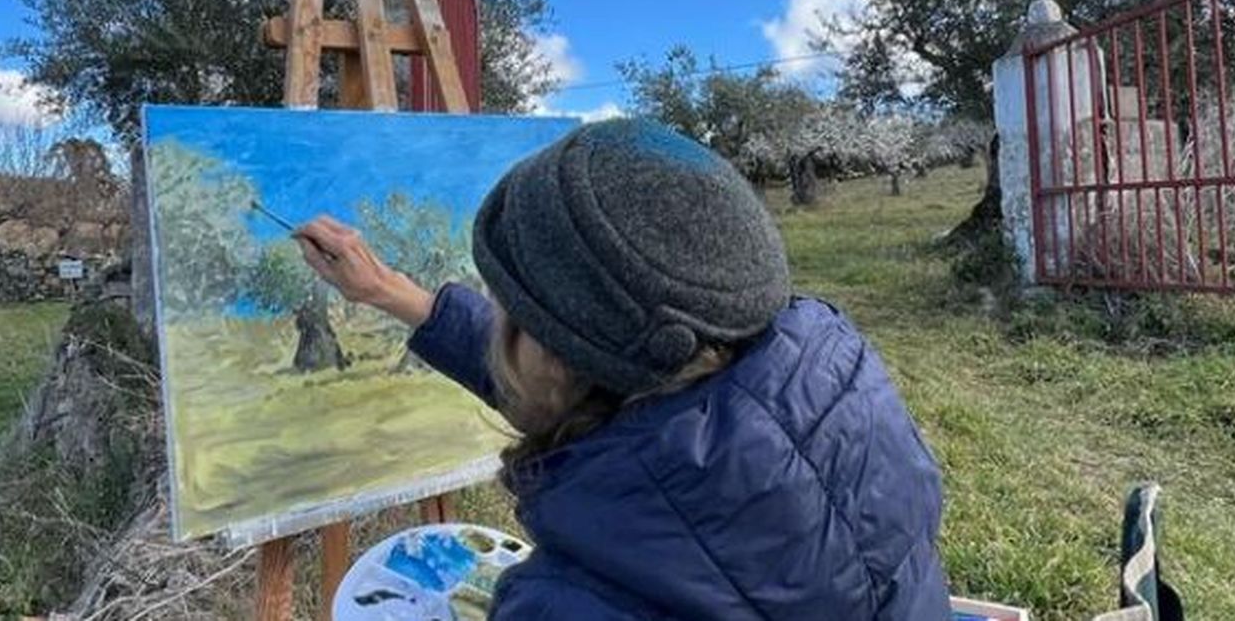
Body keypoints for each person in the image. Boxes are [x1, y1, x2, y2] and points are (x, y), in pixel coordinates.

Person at [295, 118, 949, 620]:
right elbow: (585, 384)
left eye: (508, 307)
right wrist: (390, 291)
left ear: (550, 355)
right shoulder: (828, 398)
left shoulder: (567, 602)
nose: (500, 323)